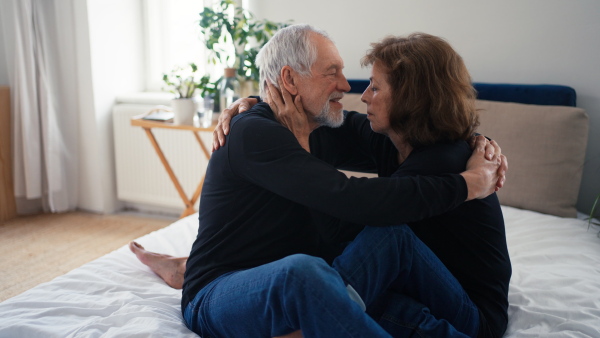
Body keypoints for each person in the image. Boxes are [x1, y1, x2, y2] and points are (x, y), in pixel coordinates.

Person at [132, 24, 506, 337]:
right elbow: (347, 205)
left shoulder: (322, 126)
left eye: (370, 84)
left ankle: (310, 315)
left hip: (276, 278)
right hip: (221, 289)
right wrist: (471, 182)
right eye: (332, 73)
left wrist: (475, 158)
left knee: (375, 250)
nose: (349, 87)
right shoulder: (256, 133)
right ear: (290, 79)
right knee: (305, 272)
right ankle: (199, 273)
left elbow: (364, 207)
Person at [261, 32, 511, 338]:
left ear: (411, 97)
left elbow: (340, 227)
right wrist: (256, 106)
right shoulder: (394, 141)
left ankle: (311, 319)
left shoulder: (443, 161)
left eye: (375, 88)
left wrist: (300, 144)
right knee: (362, 293)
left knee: (374, 260)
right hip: (423, 285)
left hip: (473, 315)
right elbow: (324, 123)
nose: (364, 95)